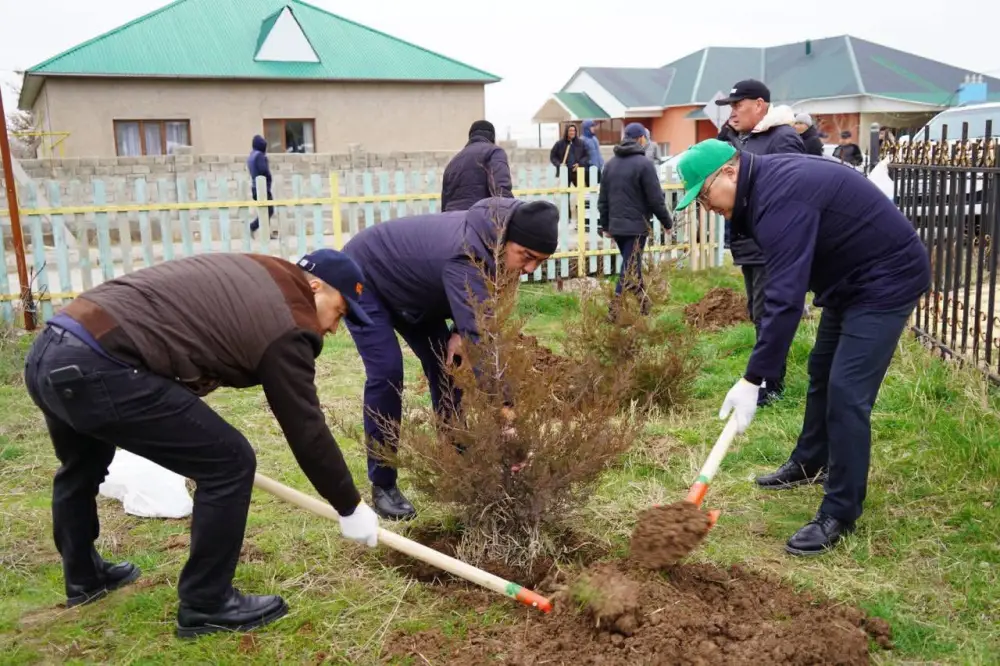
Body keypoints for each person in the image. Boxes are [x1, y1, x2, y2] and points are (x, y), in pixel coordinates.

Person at [23, 250, 381, 637]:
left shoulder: (261, 268)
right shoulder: (289, 323)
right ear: (315, 287)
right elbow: (305, 428)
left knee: (82, 464)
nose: (333, 328)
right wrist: (349, 505)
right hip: (101, 367)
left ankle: (83, 576)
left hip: (53, 349)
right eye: (340, 312)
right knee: (228, 462)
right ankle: (206, 603)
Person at [674, 140, 930, 556]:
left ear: (730, 173)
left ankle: (840, 510)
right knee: (822, 370)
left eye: (703, 195)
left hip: (887, 277)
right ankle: (811, 460)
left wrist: (754, 378)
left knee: (847, 392)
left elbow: (785, 300)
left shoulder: (780, 196)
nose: (707, 208)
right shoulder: (764, 187)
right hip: (849, 280)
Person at [342, 198, 559, 520]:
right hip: (366, 276)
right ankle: (383, 483)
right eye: (526, 257)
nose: (529, 269)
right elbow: (485, 342)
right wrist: (508, 419)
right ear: (505, 239)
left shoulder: (498, 246)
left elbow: (482, 309)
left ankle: (454, 454)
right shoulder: (467, 255)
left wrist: (459, 329)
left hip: (417, 292)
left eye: (539, 262)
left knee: (449, 366)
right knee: (387, 371)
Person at [715, 79, 805, 406]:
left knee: (768, 312)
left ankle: (772, 383)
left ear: (760, 105)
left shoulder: (782, 139)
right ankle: (765, 375)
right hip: (750, 244)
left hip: (771, 245)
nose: (733, 111)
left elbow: (791, 192)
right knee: (757, 311)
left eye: (739, 105)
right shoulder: (748, 140)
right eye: (730, 106)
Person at [598, 122, 673, 316]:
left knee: (632, 266)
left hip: (617, 226)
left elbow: (603, 199)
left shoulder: (610, 164)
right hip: (636, 227)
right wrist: (667, 222)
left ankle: (644, 306)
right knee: (630, 268)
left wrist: (606, 225)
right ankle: (614, 310)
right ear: (641, 139)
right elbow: (655, 198)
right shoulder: (644, 164)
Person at [440, 120, 513, 212]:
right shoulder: (494, 152)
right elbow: (501, 192)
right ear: (492, 137)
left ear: (470, 136)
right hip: (479, 219)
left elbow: (445, 202)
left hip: (454, 222)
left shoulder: (453, 162)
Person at [247, 135, 275, 238]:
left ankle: (266, 232)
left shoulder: (252, 155)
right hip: (262, 188)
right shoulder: (259, 156)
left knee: (265, 211)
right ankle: (253, 227)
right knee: (268, 211)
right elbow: (263, 170)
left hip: (255, 187)